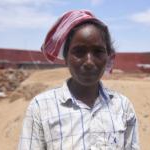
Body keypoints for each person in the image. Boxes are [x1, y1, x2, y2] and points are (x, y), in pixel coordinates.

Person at [18, 10, 139, 150]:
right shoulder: (41, 107)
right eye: (79, 52)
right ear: (66, 59)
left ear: (107, 57)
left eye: (98, 52)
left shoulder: (123, 107)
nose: (89, 62)